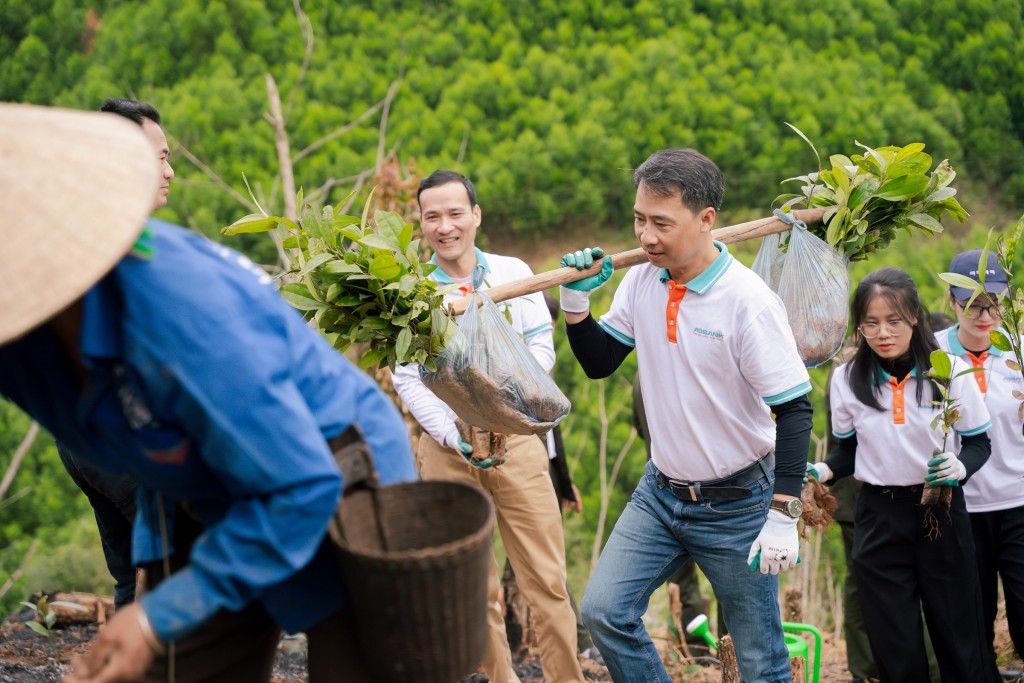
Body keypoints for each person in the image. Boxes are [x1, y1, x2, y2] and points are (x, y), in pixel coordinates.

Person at [0, 103, 417, 683]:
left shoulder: (176, 313)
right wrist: (158, 579)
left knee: (348, 657)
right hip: (209, 490)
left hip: (333, 474)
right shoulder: (26, 348)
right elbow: (150, 443)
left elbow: (303, 485)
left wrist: (155, 617)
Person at [560, 147, 814, 682]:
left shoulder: (746, 302)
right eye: (639, 220)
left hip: (737, 504)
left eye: (661, 223)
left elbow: (794, 409)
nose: (645, 236)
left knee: (761, 661)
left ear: (705, 219)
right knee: (604, 611)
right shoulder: (642, 279)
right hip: (661, 494)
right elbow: (601, 362)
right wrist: (576, 306)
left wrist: (783, 513)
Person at [391, 171, 584, 683]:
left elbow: (541, 347)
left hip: (517, 441)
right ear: (421, 223)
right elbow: (406, 378)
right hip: (447, 451)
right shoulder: (410, 291)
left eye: (455, 213)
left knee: (547, 581)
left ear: (475, 215)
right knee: (472, 589)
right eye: (432, 216)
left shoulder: (512, 272)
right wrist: (452, 434)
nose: (445, 226)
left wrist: (504, 405)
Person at [809, 267, 999, 683]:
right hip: (879, 516)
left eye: (893, 320)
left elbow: (979, 442)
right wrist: (822, 470)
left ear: (914, 316)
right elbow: (849, 451)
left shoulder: (948, 371)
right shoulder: (847, 380)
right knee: (894, 642)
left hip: (940, 511)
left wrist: (961, 467)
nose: (882, 333)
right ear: (859, 327)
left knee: (959, 637)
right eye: (871, 323)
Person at [53, 98, 176, 611]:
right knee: (166, 568)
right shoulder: (118, 239)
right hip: (123, 436)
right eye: (159, 158)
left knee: (130, 576)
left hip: (79, 437)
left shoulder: (84, 229)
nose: (169, 171)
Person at [935, 250, 1023, 678]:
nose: (984, 316)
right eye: (972, 305)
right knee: (973, 613)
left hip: (1018, 499)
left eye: (993, 304)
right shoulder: (934, 355)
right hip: (961, 506)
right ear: (952, 301)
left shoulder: (1017, 350)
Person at [632, 378, 719, 658]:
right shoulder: (689, 370)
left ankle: (697, 652)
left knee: (683, 580)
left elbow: (639, 428)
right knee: (728, 576)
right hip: (708, 486)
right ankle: (723, 650)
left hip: (663, 484)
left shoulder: (641, 377)